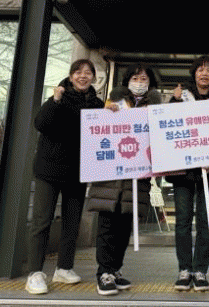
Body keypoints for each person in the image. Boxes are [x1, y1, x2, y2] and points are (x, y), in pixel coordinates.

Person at [25, 59, 104, 295]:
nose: (83, 76)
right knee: (41, 221)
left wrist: (110, 115)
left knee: (72, 223)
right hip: (49, 170)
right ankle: (35, 273)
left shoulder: (97, 104)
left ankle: (64, 267)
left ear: (94, 78)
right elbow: (41, 123)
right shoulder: (58, 98)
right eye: (78, 72)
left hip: (78, 172)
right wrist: (55, 100)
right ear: (71, 77)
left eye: (88, 72)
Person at [86, 63, 162, 295]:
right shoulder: (113, 103)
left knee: (124, 227)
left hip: (137, 178)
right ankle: (104, 273)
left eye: (144, 79)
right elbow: (96, 133)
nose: (139, 82)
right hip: (110, 178)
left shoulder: (156, 108)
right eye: (135, 78)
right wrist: (106, 115)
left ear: (150, 83)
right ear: (127, 81)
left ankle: (115, 269)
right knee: (107, 225)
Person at [166, 55, 209, 292]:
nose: (204, 74)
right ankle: (184, 269)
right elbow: (168, 128)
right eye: (200, 70)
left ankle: (200, 270)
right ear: (194, 74)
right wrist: (174, 101)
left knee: (205, 221)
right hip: (182, 171)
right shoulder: (181, 97)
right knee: (182, 221)